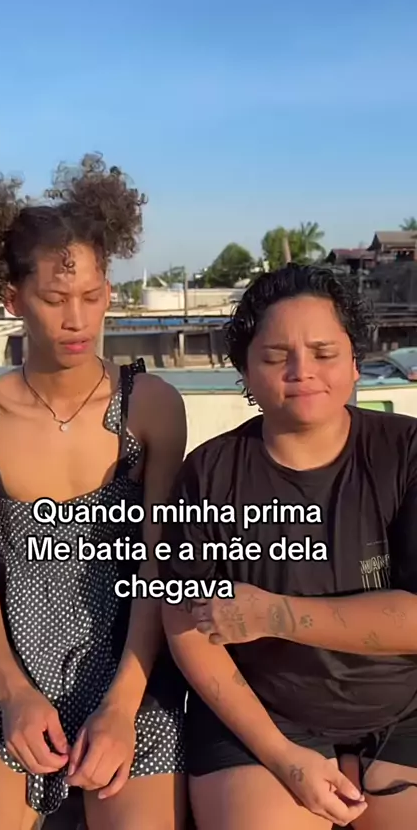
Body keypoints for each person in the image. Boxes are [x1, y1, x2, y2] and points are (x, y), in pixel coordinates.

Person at [0, 154, 188, 830]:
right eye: (54, 299)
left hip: (130, 666)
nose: (78, 319)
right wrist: (12, 693)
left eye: (92, 295)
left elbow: (159, 564)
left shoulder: (152, 407)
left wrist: (123, 705)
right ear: (13, 299)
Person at [161, 263, 417, 830]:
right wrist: (284, 758)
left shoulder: (406, 452)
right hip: (262, 716)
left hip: (404, 710)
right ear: (246, 372)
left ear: (355, 362)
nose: (303, 372)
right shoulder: (208, 475)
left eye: (324, 353)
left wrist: (273, 614)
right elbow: (185, 626)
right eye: (277, 356)